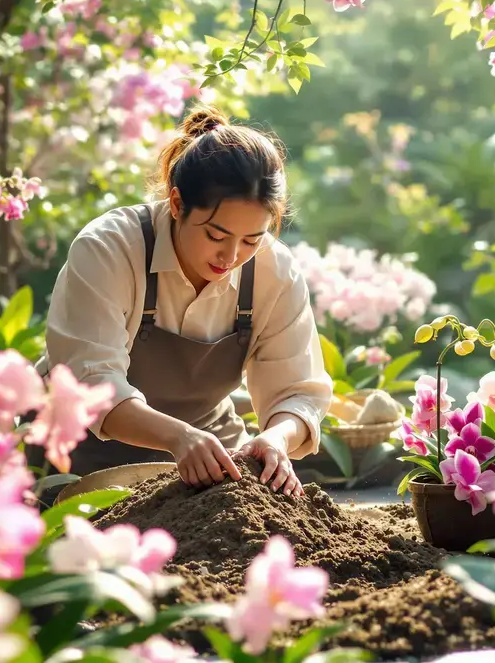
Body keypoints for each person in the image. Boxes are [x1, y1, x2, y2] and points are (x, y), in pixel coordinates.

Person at [41, 105, 333, 496]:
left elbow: (298, 391)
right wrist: (178, 437)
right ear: (177, 204)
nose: (231, 256)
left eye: (251, 239)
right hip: (79, 454)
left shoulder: (274, 270)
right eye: (216, 235)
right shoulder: (109, 249)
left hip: (209, 454)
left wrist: (277, 437)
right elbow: (91, 383)